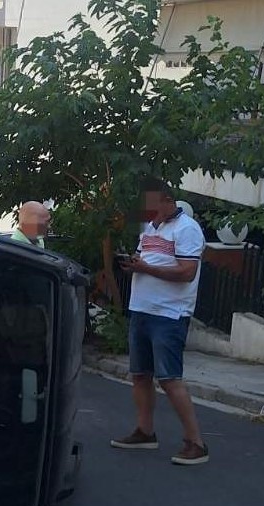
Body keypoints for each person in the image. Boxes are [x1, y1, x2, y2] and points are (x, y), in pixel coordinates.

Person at [112, 177, 209, 465]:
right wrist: (133, 265)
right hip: (142, 308)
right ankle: (145, 431)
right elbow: (146, 261)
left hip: (169, 313)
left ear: (168, 201)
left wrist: (146, 269)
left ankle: (196, 442)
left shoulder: (187, 229)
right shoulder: (149, 227)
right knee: (140, 374)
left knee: (169, 378)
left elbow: (187, 272)